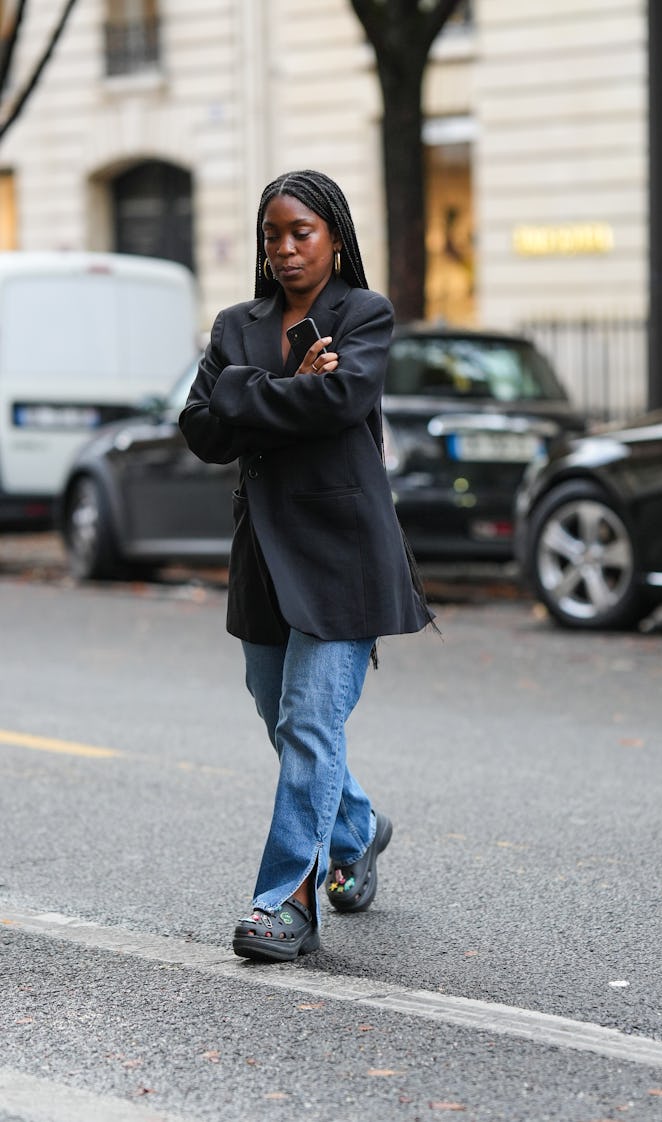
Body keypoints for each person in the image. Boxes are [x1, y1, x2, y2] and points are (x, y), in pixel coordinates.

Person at [179, 170, 433, 964]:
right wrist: (285, 386)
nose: (285, 249)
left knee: (312, 722)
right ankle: (359, 826)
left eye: (302, 233)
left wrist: (244, 399)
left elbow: (341, 404)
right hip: (263, 554)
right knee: (279, 715)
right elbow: (200, 428)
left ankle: (285, 903)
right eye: (272, 235)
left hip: (344, 552)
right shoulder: (234, 325)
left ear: (334, 237)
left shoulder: (363, 315)